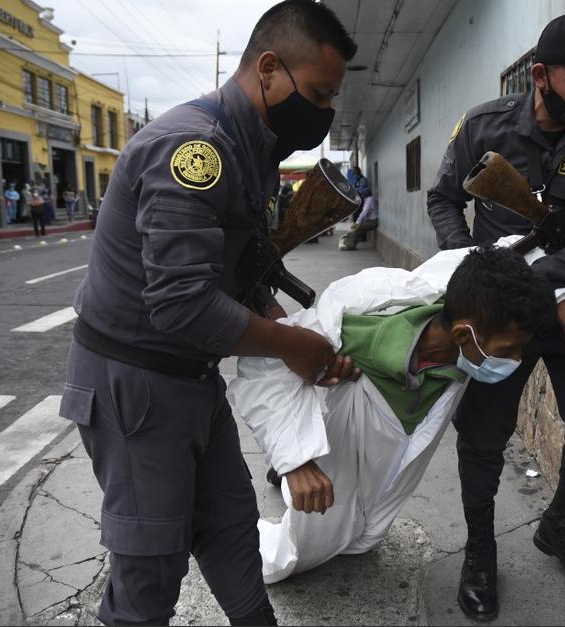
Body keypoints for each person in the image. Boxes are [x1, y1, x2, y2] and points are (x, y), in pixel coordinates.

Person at [58, 1, 358, 625]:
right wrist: (291, 346)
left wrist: (298, 333)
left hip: (192, 378)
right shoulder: (195, 150)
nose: (324, 114)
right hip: (135, 383)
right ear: (269, 69)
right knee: (150, 572)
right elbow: (181, 304)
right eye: (318, 95)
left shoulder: (254, 151)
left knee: (231, 527)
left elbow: (237, 274)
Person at [426, 10, 565, 621]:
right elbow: (443, 198)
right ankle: (479, 550)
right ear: (541, 76)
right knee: (482, 439)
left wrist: (553, 294)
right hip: (498, 319)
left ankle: (560, 524)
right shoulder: (484, 125)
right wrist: (469, 266)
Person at [230, 244, 559, 583]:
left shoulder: (470, 305)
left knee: (364, 536)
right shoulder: (355, 319)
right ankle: (225, 520)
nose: (516, 360)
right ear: (462, 333)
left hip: (384, 452)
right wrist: (296, 460)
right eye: (508, 350)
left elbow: (521, 247)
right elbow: (265, 365)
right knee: (293, 557)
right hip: (345, 428)